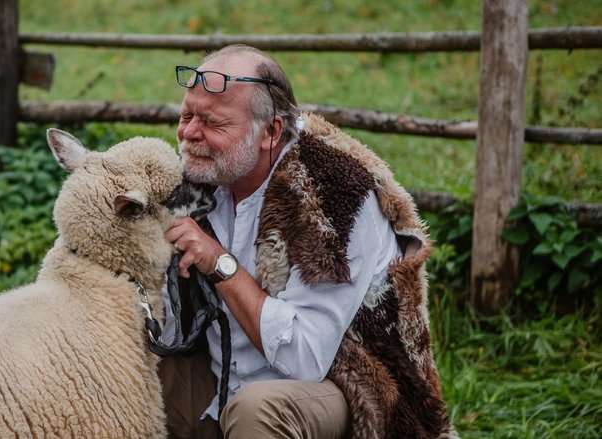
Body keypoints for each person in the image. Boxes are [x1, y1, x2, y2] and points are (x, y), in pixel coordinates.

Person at [159, 44, 454, 439]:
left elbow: (305, 359)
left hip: (344, 390)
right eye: (186, 115)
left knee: (257, 410)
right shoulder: (198, 178)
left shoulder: (332, 196)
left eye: (213, 123)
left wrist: (219, 263)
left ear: (270, 132)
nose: (189, 133)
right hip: (223, 377)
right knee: (127, 361)